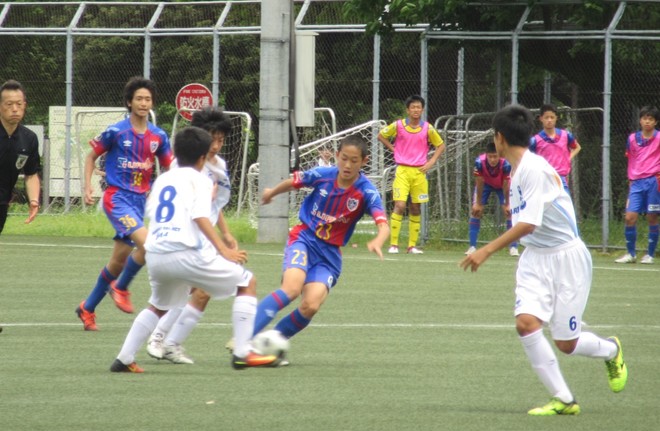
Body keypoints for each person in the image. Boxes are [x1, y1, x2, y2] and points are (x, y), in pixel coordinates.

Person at [460, 104, 627, 416]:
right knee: (526, 324)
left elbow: (528, 223)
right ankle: (564, 399)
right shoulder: (517, 170)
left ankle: (611, 350)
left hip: (567, 258)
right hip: (535, 258)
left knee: (567, 343)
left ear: (499, 138)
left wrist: (485, 250)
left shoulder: (533, 169)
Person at [110, 126, 278, 373]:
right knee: (247, 282)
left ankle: (124, 358)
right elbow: (200, 216)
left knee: (157, 306)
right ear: (202, 158)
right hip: (185, 252)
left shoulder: (163, 179)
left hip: (156, 254)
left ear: (176, 154)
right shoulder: (201, 179)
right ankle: (242, 353)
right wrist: (223, 250)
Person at [249, 135, 389, 362]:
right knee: (291, 289)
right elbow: (293, 182)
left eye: (354, 160)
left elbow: (383, 223)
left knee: (311, 305)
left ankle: (271, 342)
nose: (347, 165)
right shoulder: (322, 175)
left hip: (329, 256)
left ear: (364, 162)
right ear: (337, 156)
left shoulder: (366, 191)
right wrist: (271, 193)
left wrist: (378, 241)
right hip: (303, 238)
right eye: (344, 158)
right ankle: (245, 337)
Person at [76, 77, 173, 331]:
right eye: (138, 98)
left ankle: (87, 308)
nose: (143, 103)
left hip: (140, 201)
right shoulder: (116, 131)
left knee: (117, 263)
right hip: (117, 198)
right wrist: (87, 186)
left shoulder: (158, 136)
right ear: (129, 102)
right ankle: (120, 288)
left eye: (148, 99)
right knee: (149, 245)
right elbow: (91, 157)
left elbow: (170, 167)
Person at [145, 107, 237, 364]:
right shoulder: (184, 164)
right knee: (190, 287)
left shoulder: (219, 166)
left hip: (203, 233)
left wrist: (226, 233)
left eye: (221, 139)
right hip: (184, 234)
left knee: (201, 290)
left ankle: (170, 342)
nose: (217, 145)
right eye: (212, 138)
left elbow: (213, 205)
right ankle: (160, 338)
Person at [377, 94, 445, 254]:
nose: (416, 110)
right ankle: (393, 244)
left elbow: (441, 145)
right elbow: (381, 135)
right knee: (399, 205)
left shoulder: (428, 128)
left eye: (418, 107)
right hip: (402, 170)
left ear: (422, 110)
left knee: (415, 207)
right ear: (408, 110)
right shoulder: (399, 125)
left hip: (420, 172)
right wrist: (394, 149)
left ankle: (411, 245)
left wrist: (431, 162)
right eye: (413, 107)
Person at [614, 105, 660, 265]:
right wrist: (630, 181)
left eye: (651, 119)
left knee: (652, 217)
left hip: (654, 181)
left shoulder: (659, 138)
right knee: (630, 217)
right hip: (636, 183)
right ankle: (631, 254)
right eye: (644, 118)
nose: (647, 121)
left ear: (655, 122)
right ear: (640, 120)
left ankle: (650, 254)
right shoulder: (632, 139)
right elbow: (631, 159)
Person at [0, 80, 40, 235]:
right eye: (9, 104)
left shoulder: (29, 138)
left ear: (25, 105)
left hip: (3, 201)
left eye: (19, 104)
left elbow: (31, 174)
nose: (15, 109)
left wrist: (34, 201)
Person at [465, 141, 518, 257]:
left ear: (499, 155)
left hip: (502, 186)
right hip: (486, 185)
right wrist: (478, 203)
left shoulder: (506, 164)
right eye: (490, 156)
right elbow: (479, 182)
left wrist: (507, 203)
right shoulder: (479, 162)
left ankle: (513, 247)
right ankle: (472, 246)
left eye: (495, 156)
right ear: (486, 155)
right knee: (476, 212)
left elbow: (506, 184)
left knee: (510, 213)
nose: (493, 159)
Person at [529, 104, 581, 192]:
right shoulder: (535, 140)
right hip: (543, 178)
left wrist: (568, 158)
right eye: (546, 117)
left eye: (552, 117)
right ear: (541, 119)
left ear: (556, 118)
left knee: (565, 204)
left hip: (561, 178)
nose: (549, 120)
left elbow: (577, 147)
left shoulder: (566, 135)